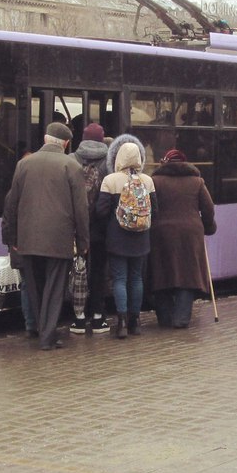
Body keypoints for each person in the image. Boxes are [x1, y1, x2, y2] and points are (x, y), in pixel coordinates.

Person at [1, 122, 89, 350]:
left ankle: (43, 331)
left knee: (35, 288)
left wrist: (12, 239)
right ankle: (47, 336)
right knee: (54, 288)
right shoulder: (72, 165)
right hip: (58, 240)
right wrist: (82, 242)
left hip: (28, 240)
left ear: (45, 138)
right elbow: (81, 209)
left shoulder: (23, 164)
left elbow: (12, 204)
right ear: (67, 143)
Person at [96, 133, 156, 338]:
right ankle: (135, 321)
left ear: (117, 157)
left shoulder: (110, 180)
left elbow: (101, 211)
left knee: (119, 279)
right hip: (141, 239)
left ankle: (121, 323)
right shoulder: (147, 181)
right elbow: (155, 210)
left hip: (117, 239)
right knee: (136, 278)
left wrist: (110, 228)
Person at [148, 148, 216, 328]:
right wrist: (209, 227)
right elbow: (208, 208)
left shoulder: (154, 181)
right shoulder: (197, 182)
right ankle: (181, 319)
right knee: (187, 275)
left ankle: (164, 317)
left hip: (160, 233)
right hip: (190, 233)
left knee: (161, 272)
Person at [71, 122, 111, 335]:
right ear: (102, 139)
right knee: (98, 273)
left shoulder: (71, 160)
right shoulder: (109, 162)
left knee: (78, 272)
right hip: (101, 228)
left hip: (77, 228)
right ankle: (97, 317)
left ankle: (78, 319)